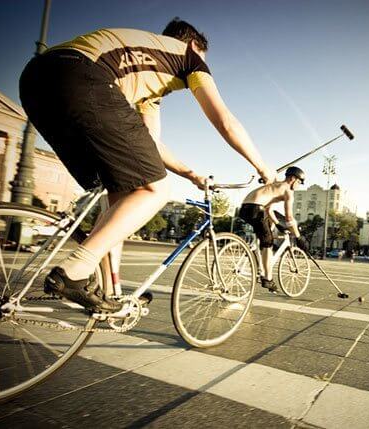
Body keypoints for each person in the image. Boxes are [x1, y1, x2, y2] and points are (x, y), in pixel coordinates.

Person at [19, 18, 275, 312]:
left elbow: (149, 143)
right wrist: (262, 167)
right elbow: (225, 121)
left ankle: (109, 291)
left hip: (37, 80)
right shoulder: (190, 59)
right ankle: (74, 271)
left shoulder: (147, 85)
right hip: (82, 77)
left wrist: (190, 173)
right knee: (157, 189)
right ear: (193, 45)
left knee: (124, 193)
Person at [239, 166, 309, 293]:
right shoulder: (288, 191)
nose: (299, 185)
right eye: (299, 182)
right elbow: (289, 218)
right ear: (292, 179)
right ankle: (268, 278)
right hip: (256, 208)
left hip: (245, 208)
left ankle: (259, 265)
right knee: (268, 243)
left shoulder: (274, 186)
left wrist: (277, 224)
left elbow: (269, 209)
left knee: (264, 235)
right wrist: (299, 237)